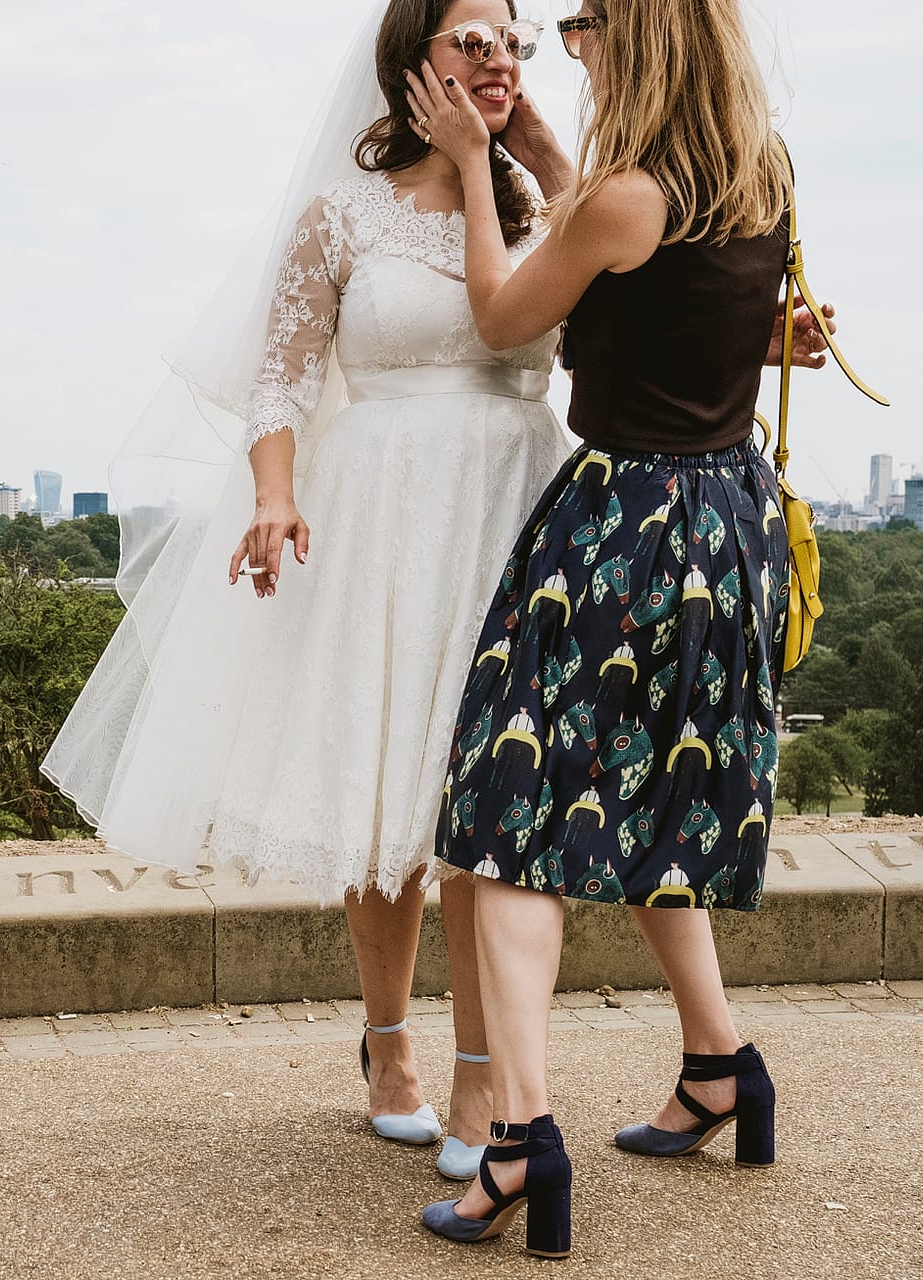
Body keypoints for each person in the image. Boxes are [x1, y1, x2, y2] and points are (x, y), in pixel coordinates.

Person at [43, 0, 575, 1178]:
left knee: (486, 803)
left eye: (514, 44)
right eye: (471, 41)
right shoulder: (343, 214)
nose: (498, 62)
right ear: (410, 65)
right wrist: (276, 494)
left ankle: (490, 1077)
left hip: (513, 508)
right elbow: (278, 383)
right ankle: (390, 1043)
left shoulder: (545, 213)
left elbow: (633, 317)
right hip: (378, 515)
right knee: (383, 787)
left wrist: (535, 159)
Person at [409, 0, 834, 1258]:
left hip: (619, 527)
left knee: (506, 818)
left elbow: (501, 312)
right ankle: (720, 1064)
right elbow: (658, 285)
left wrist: (484, 167)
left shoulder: (621, 196)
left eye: (585, 20)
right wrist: (540, 143)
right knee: (657, 802)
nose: (568, 36)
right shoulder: (757, 176)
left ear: (640, 38)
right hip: (724, 524)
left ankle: (519, 1143)